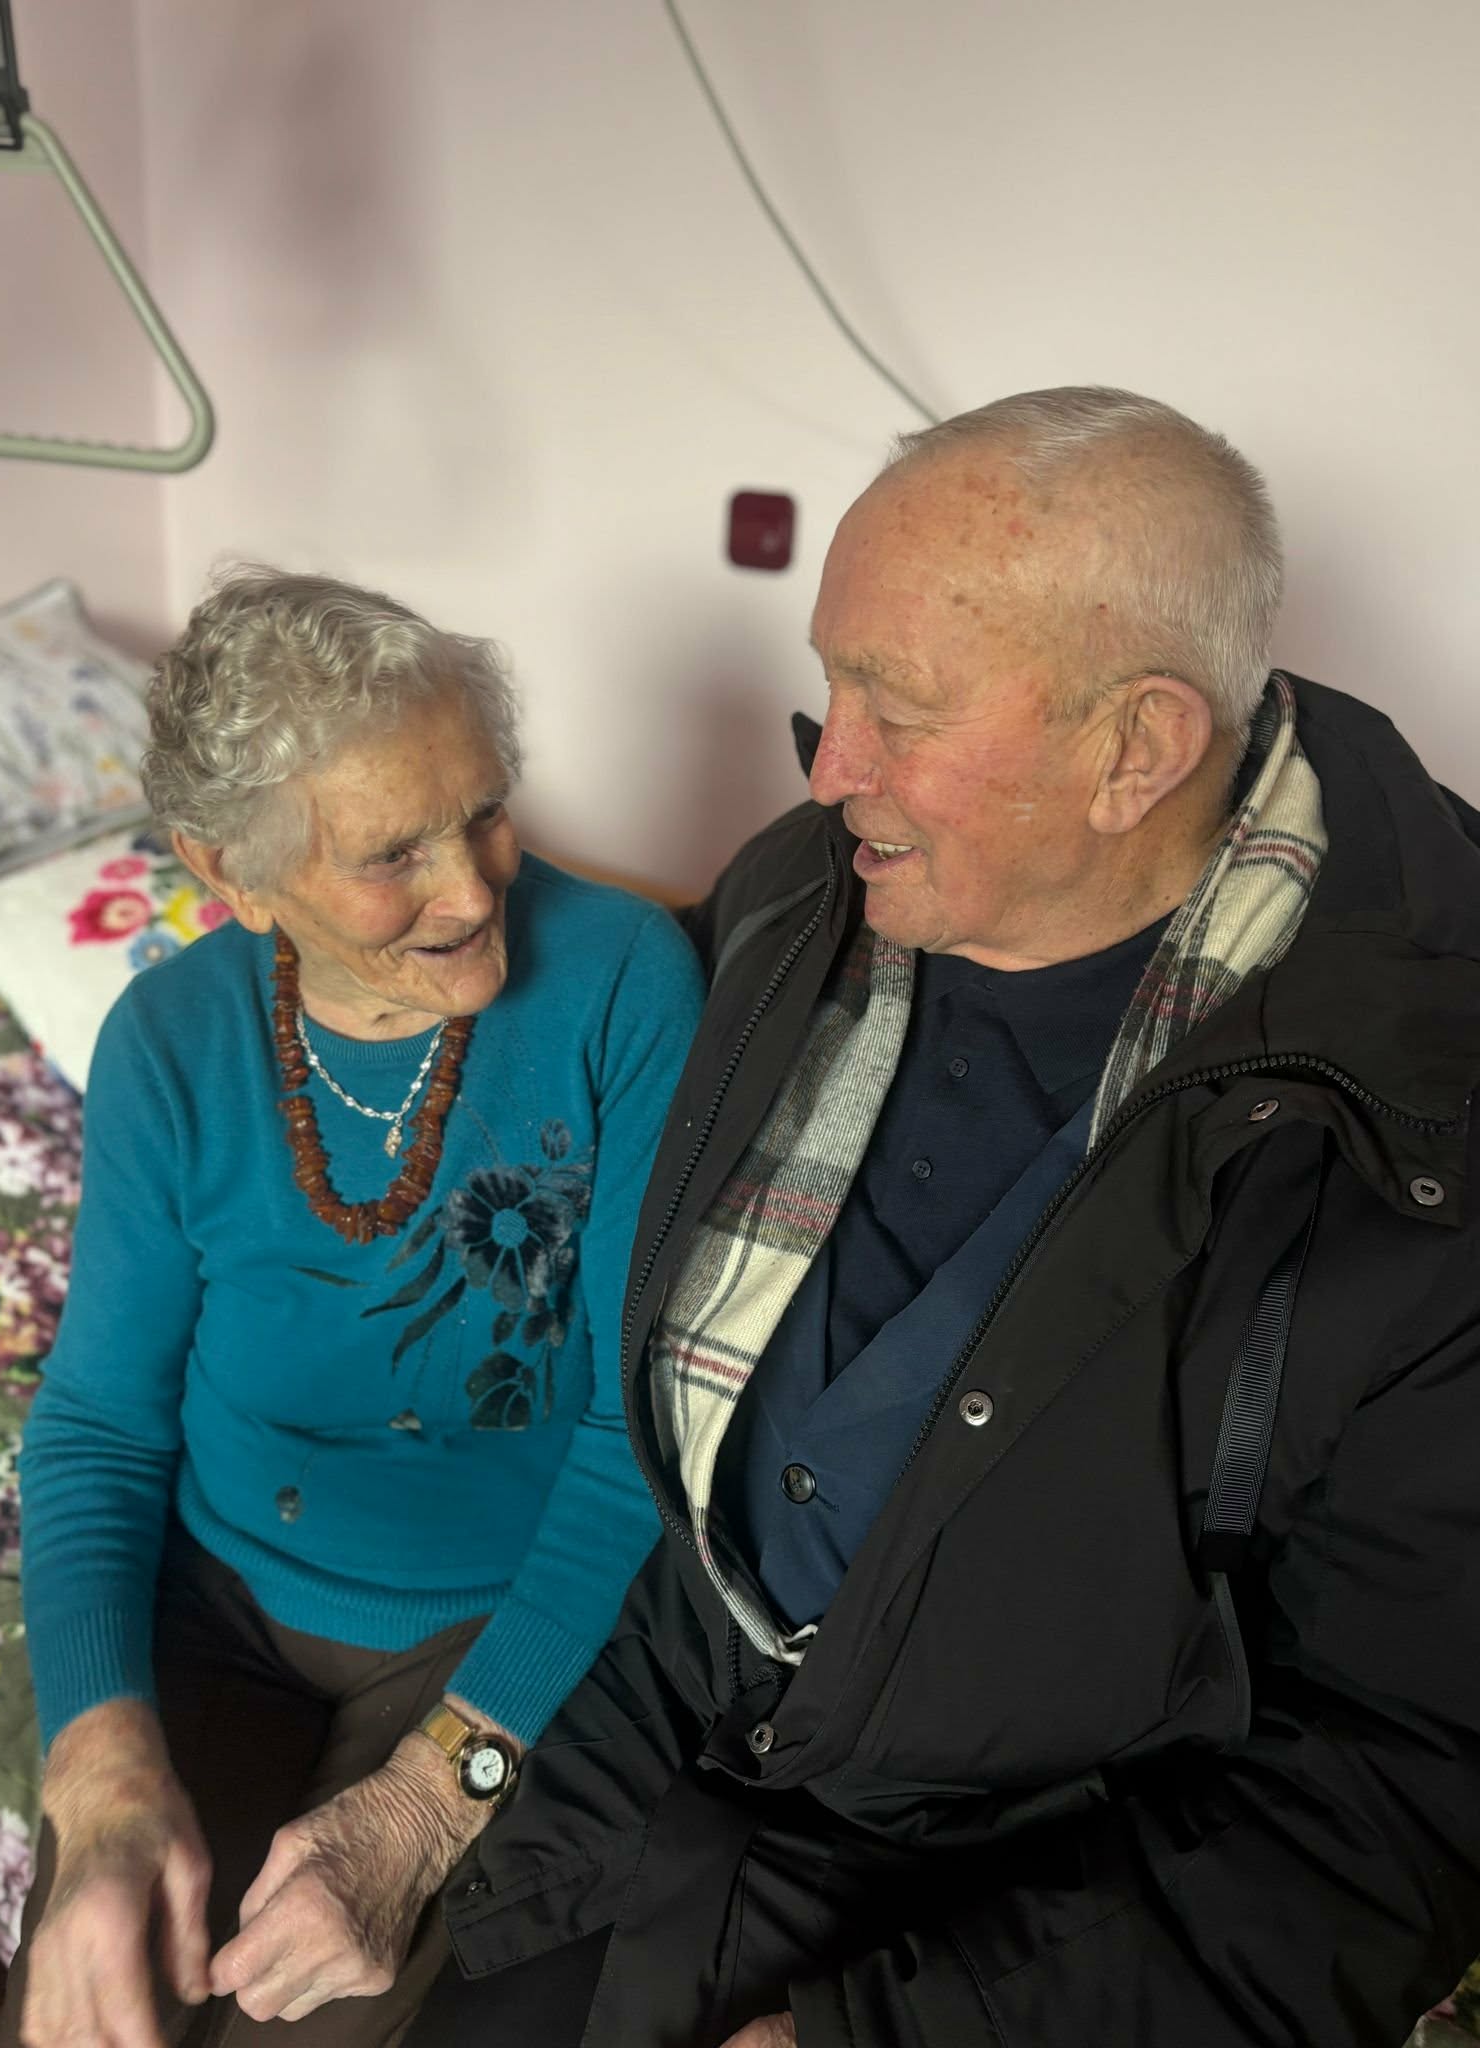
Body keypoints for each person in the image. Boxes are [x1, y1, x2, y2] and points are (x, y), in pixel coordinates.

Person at [413, 388, 1480, 2048]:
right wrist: (450, 1792)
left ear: (1137, 750)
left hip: (1020, 1926)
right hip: (646, 1788)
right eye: (831, 683)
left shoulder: (1420, 1135)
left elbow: (1389, 1805)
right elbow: (668, 1474)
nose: (829, 766)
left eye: (896, 710)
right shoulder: (800, 894)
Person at [0, 569, 704, 2048]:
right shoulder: (170, 1043)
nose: (476, 887)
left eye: (485, 810)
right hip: (220, 1597)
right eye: (395, 853)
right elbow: (100, 1425)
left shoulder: (623, 984)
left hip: (485, 1619)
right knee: (97, 1988)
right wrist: (100, 1772)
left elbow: (637, 1430)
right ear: (233, 874)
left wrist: (438, 1794)